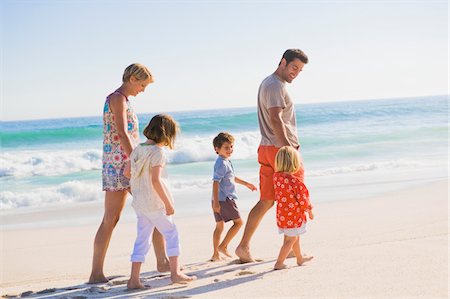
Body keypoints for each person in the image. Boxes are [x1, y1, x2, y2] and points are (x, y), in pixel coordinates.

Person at [89, 64, 169, 284]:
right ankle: (96, 273)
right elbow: (123, 133)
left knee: (155, 207)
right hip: (120, 165)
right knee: (112, 219)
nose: (142, 90)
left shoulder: (124, 100)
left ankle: (162, 261)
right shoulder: (117, 98)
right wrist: (137, 160)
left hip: (127, 163)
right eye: (142, 85)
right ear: (132, 78)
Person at [235, 49, 309, 263]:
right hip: (280, 151)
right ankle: (296, 253)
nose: (296, 72)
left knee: (267, 200)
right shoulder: (275, 85)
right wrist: (289, 150)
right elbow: (276, 119)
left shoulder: (268, 83)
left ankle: (243, 246)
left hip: (267, 149)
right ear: (283, 62)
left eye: (300, 70)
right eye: (294, 67)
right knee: (295, 200)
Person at [127, 114, 196, 289]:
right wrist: (168, 203)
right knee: (172, 233)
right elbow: (156, 180)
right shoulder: (158, 153)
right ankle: (175, 273)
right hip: (156, 204)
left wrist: (137, 191)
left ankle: (134, 279)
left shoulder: (137, 149)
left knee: (142, 239)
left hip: (140, 204)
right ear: (166, 134)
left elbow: (127, 173)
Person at [210, 132, 257, 262]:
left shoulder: (224, 161)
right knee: (239, 222)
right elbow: (215, 182)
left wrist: (246, 184)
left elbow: (231, 177)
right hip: (225, 199)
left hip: (218, 199)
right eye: (226, 147)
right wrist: (217, 203)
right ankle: (223, 246)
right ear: (217, 149)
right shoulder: (222, 163)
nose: (230, 149)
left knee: (219, 226)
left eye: (231, 146)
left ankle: (215, 254)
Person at [272, 146, 314, 270]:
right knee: (290, 240)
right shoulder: (294, 181)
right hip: (293, 216)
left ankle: (299, 258)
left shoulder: (277, 177)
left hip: (283, 215)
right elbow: (303, 199)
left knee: (295, 237)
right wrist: (310, 211)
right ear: (294, 162)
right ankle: (279, 263)